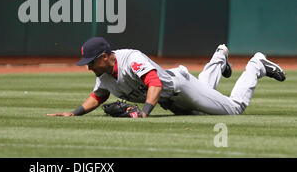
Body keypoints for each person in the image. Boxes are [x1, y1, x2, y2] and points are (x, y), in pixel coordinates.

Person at [47, 37, 286, 118]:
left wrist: (144, 112)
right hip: (173, 98)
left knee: (234, 109)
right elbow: (98, 96)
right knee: (204, 104)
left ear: (106, 56)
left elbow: (154, 82)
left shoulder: (130, 59)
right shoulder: (105, 74)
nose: (88, 67)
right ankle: (219, 57)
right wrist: (75, 112)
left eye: (91, 62)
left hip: (180, 87)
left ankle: (256, 65)